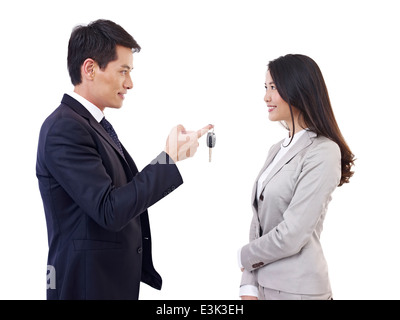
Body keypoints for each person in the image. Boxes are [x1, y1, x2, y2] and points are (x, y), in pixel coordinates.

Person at [36, 19, 213, 300]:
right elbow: (110, 210)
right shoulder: (65, 128)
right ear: (90, 69)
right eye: (123, 71)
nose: (130, 84)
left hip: (105, 283)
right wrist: (168, 159)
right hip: (85, 286)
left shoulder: (90, 124)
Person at [238, 54, 355, 300]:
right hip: (264, 289)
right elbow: (258, 222)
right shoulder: (276, 150)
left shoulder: (323, 151)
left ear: (297, 88)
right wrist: (248, 286)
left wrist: (245, 256)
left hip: (299, 291)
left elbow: (293, 233)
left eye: (273, 87)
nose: (266, 97)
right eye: (265, 88)